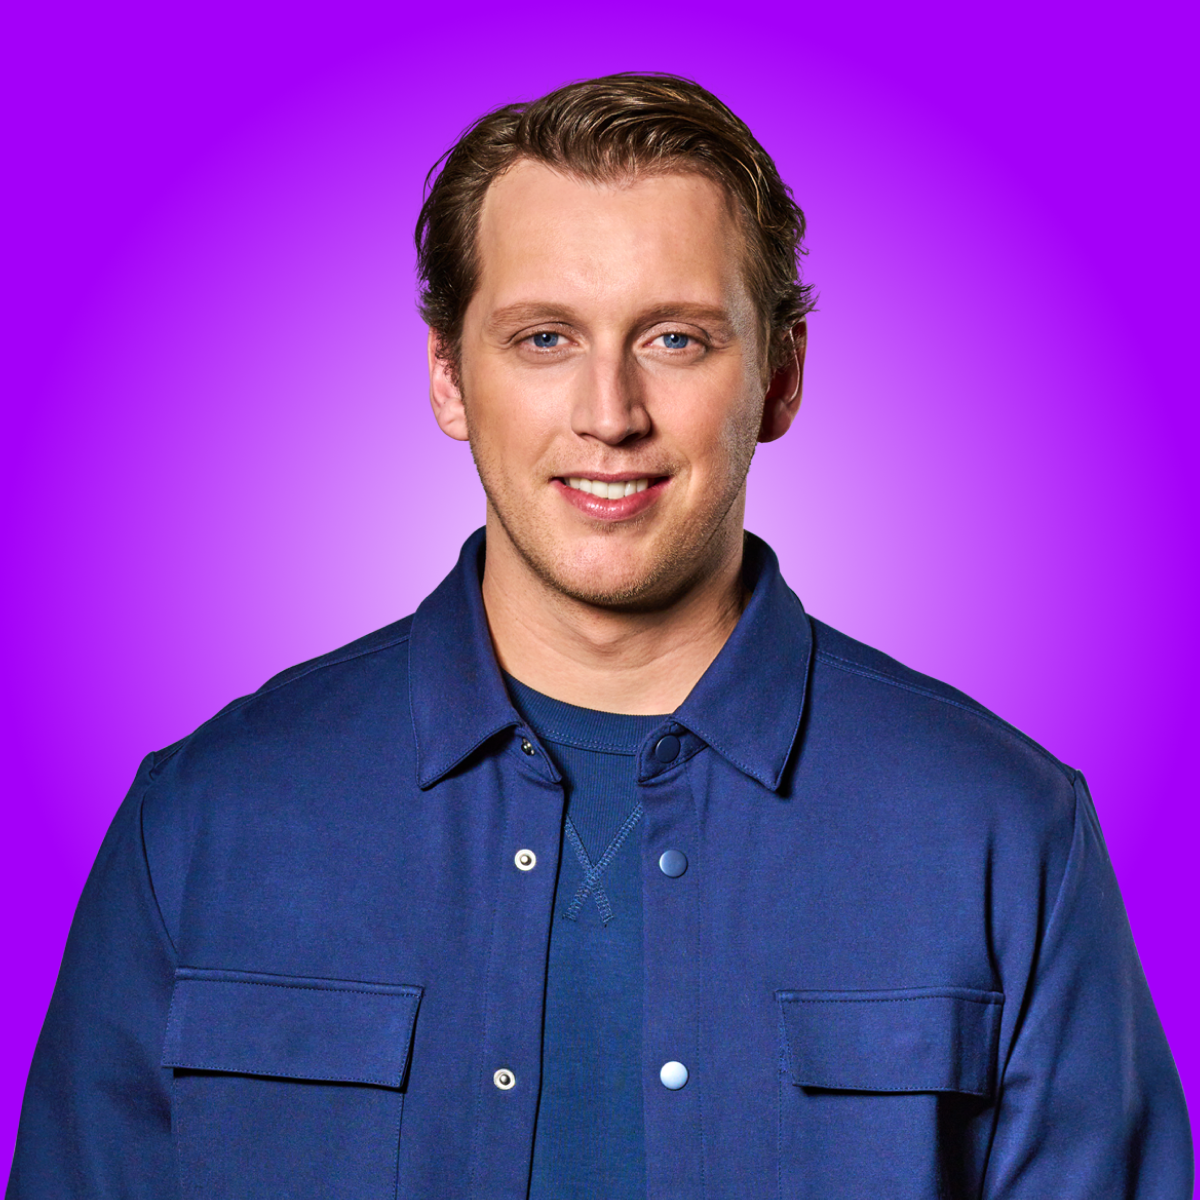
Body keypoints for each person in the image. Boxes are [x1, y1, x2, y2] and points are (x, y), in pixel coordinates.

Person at [6, 72, 1192, 1200]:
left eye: (675, 338)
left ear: (780, 378)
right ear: (448, 376)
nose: (610, 414)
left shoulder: (1003, 831)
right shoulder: (205, 819)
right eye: (544, 338)